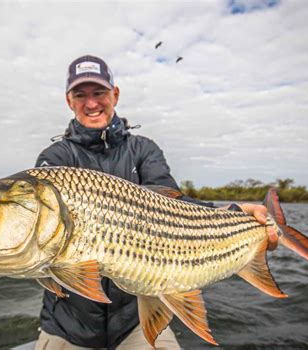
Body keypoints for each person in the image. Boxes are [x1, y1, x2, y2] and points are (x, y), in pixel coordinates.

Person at [34, 55, 278, 350]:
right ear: (68, 100)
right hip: (67, 325)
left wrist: (231, 214)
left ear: (115, 94)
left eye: (99, 92)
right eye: (80, 94)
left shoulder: (143, 149)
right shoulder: (56, 159)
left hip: (137, 315)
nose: (91, 103)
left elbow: (176, 207)